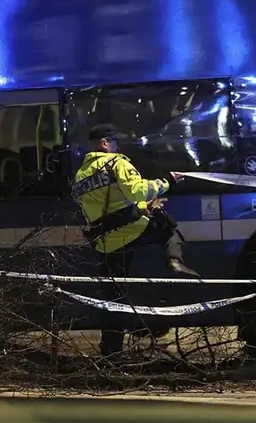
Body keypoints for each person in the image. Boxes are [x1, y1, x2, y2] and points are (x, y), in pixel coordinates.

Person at [71, 123, 198, 357]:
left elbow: (106, 206)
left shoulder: (81, 175)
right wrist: (167, 181)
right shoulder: (116, 163)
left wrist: (141, 207)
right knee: (169, 227)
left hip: (106, 240)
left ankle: (111, 351)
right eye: (115, 141)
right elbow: (136, 190)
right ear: (104, 143)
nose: (118, 146)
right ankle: (174, 261)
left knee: (113, 298)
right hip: (131, 230)